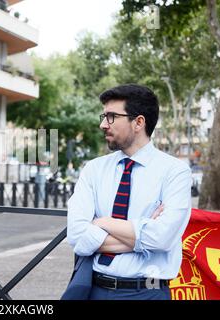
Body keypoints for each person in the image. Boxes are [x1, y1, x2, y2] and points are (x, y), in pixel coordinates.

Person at [66, 84, 192, 300]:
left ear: (138, 122)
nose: (103, 124)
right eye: (104, 116)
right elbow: (77, 236)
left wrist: (101, 222)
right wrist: (143, 232)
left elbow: (162, 239)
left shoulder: (175, 171)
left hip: (148, 292)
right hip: (93, 290)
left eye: (112, 116)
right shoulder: (94, 169)